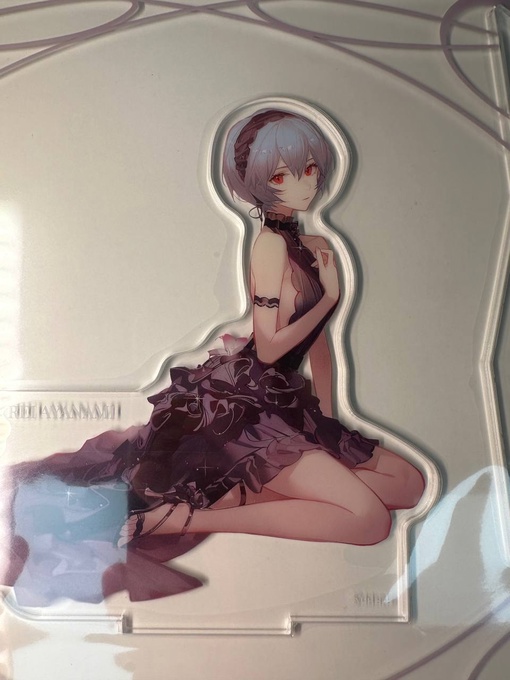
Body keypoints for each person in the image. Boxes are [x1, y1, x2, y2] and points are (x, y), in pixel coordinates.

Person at [1, 107, 424, 605]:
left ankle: (236, 491)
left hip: (289, 403)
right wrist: (329, 299)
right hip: (244, 410)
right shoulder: (268, 247)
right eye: (282, 175)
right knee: (370, 521)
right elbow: (270, 347)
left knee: (409, 485)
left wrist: (330, 424)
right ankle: (181, 517)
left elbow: (323, 347)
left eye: (310, 168)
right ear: (255, 183)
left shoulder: (315, 245)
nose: (303, 183)